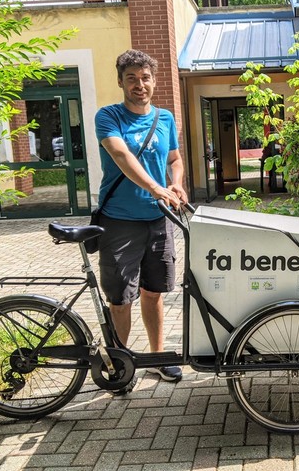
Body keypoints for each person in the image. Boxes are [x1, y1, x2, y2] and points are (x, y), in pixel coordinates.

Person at [95, 49, 188, 393]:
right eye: (131, 78)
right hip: (119, 221)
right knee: (121, 298)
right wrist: (155, 186)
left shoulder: (164, 119)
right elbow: (120, 155)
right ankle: (120, 366)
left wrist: (175, 182)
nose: (139, 84)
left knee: (154, 292)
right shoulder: (108, 116)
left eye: (145, 77)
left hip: (158, 219)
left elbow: (175, 158)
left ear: (154, 81)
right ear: (120, 81)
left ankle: (158, 358)